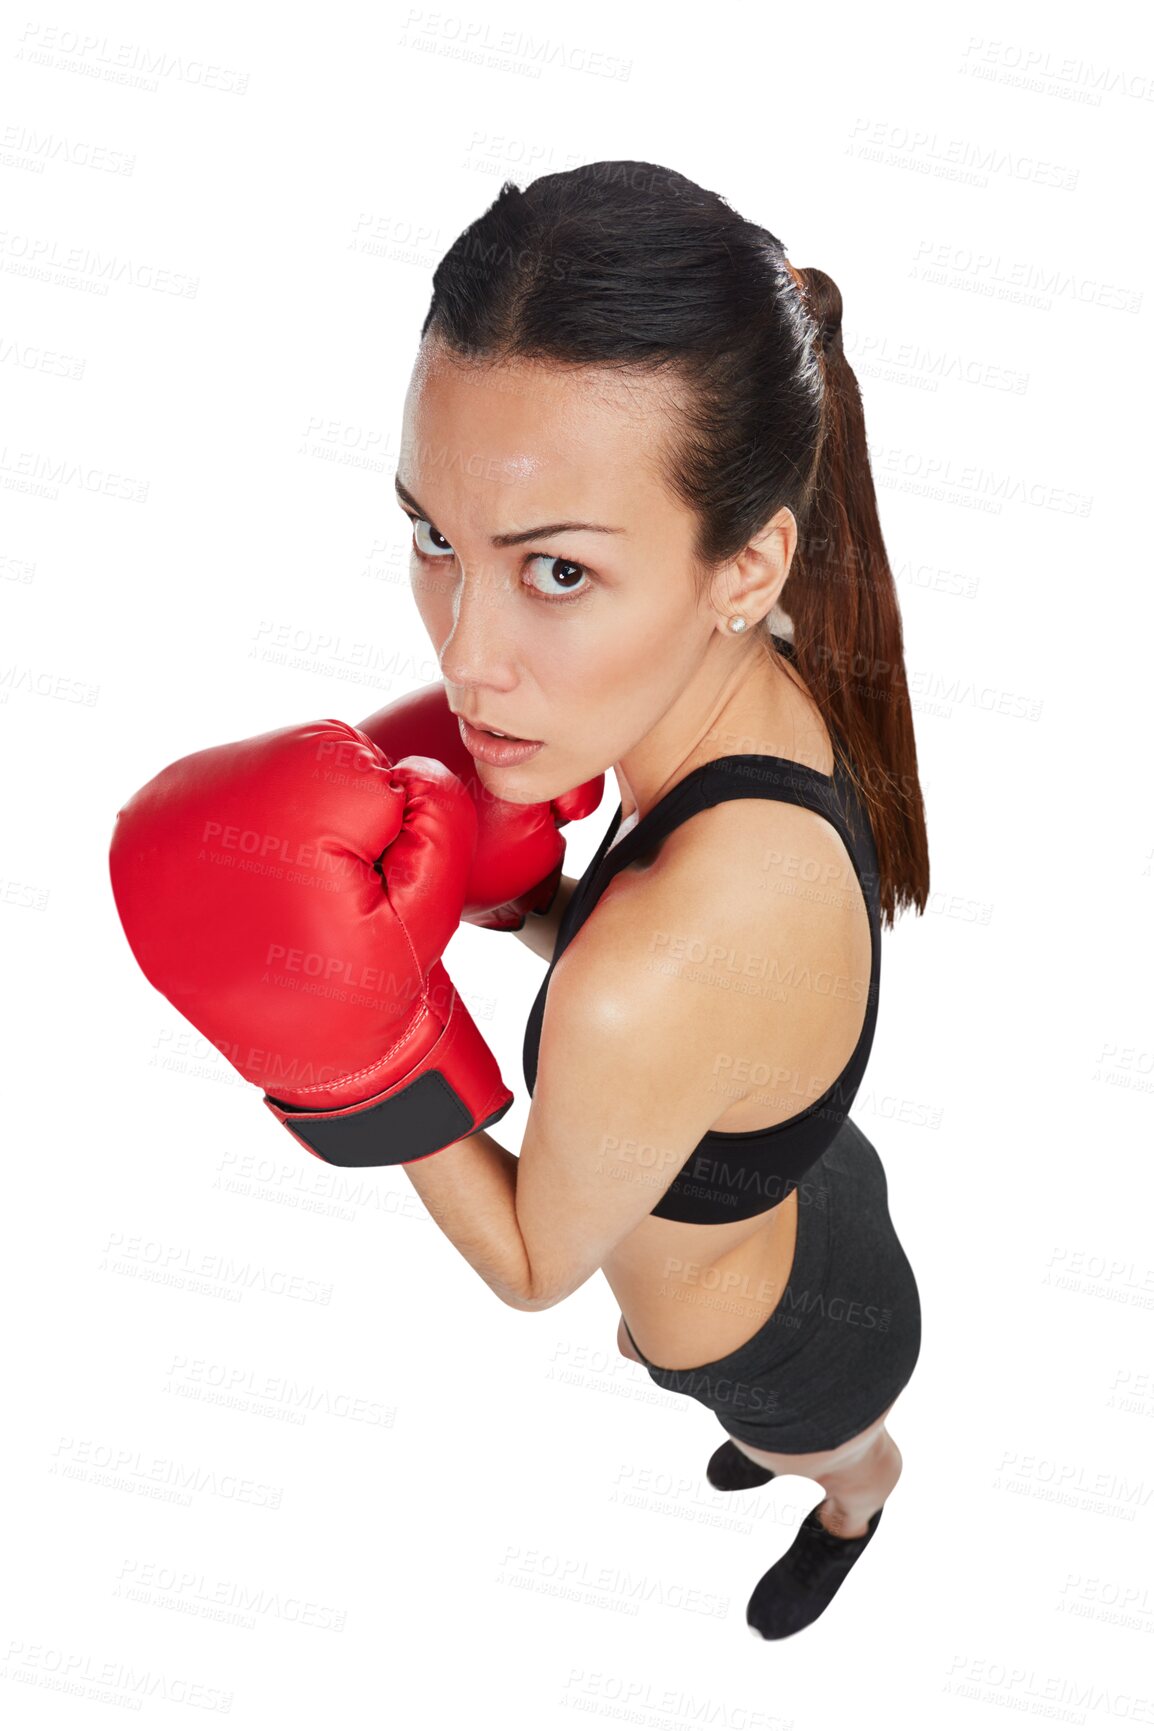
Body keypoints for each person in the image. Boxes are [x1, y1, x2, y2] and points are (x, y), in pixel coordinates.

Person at [390, 160, 930, 1640]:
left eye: (555, 569)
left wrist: (350, 1049)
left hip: (788, 1343)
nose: (466, 658)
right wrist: (536, 909)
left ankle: (855, 1500)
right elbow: (695, 990)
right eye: (437, 536)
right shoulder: (761, 677)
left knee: (795, 1437)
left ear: (743, 561)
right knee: (663, 1328)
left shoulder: (654, 968)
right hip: (790, 1178)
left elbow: (529, 1261)